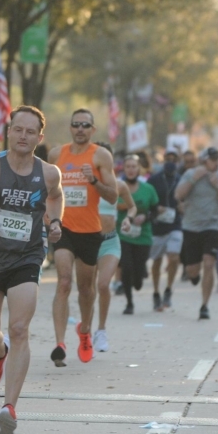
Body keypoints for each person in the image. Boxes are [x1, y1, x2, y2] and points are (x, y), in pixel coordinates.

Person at [0, 106, 63, 434]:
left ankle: (10, 407)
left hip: (27, 256)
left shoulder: (49, 173)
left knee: (20, 328)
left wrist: (56, 220)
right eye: (18, 129)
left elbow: (56, 196)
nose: (23, 136)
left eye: (30, 131)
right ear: (9, 132)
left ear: (40, 137)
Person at [47, 109, 117, 365]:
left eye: (85, 125)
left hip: (90, 230)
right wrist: (48, 217)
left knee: (86, 288)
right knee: (64, 282)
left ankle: (85, 331)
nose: (80, 129)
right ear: (70, 127)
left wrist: (94, 182)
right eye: (75, 124)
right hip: (63, 227)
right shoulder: (56, 154)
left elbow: (113, 196)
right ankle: (59, 344)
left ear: (92, 130)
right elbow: (46, 189)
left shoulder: (100, 156)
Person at [93, 142, 135, 349]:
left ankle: (101, 330)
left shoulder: (120, 185)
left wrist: (128, 219)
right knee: (87, 290)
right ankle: (85, 328)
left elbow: (132, 207)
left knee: (103, 285)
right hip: (87, 242)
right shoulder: (82, 185)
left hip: (110, 241)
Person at [175, 147, 218, 319]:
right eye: (213, 159)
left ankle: (204, 305)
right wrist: (193, 180)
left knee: (209, 263)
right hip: (192, 227)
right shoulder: (190, 174)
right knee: (193, 270)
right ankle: (193, 276)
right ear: (204, 160)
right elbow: (178, 195)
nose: (217, 162)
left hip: (213, 225)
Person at [117, 154, 158, 314]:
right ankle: (129, 302)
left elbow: (155, 210)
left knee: (138, 277)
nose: (131, 170)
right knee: (126, 267)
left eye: (134, 166)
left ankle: (139, 277)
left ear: (139, 169)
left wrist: (146, 217)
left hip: (143, 236)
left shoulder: (148, 189)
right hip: (123, 234)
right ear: (124, 169)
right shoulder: (118, 187)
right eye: (128, 167)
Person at [148, 149, 183, 312]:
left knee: (174, 257)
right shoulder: (154, 179)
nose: (170, 162)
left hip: (175, 224)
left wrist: (184, 206)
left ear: (177, 162)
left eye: (173, 159)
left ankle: (168, 288)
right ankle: (156, 292)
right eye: (167, 159)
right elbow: (147, 200)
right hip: (158, 225)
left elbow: (187, 198)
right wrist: (156, 209)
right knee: (157, 260)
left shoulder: (181, 179)